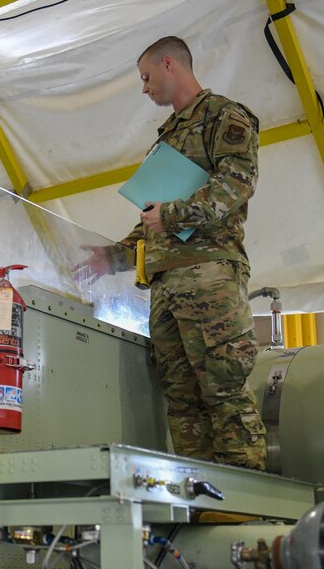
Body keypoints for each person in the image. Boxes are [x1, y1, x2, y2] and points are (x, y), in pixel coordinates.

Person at [76, 36, 267, 470]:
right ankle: (200, 498)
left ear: (169, 64)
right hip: (165, 286)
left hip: (208, 276)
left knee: (223, 388)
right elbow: (153, 220)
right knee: (181, 401)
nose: (144, 88)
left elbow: (236, 185)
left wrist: (175, 213)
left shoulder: (226, 116)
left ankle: (243, 500)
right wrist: (114, 257)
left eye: (146, 77)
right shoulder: (167, 136)